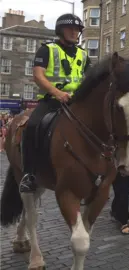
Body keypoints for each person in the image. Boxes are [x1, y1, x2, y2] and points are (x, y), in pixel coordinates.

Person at [19, 13, 91, 193]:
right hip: (52, 101)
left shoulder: (83, 54)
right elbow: (38, 75)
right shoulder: (47, 49)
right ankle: (29, 174)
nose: (75, 33)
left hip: (77, 102)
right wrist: (58, 93)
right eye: (71, 29)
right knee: (32, 126)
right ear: (60, 31)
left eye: (77, 30)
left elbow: (90, 79)